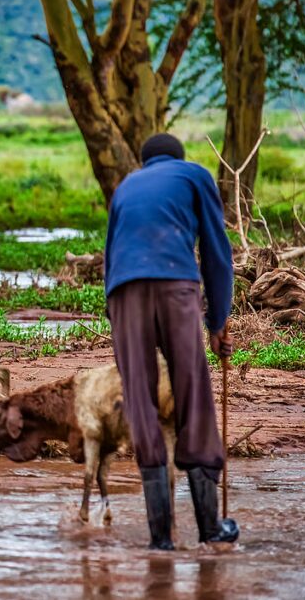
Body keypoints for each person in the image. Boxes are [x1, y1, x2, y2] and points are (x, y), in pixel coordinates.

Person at [105, 133, 239, 550]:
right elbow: (217, 252)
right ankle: (210, 530)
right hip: (175, 284)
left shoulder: (126, 186)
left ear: (146, 163)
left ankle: (160, 539)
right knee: (193, 392)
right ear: (178, 159)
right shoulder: (195, 174)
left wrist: (121, 324)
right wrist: (218, 321)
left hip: (123, 293)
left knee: (140, 400)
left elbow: (111, 256)